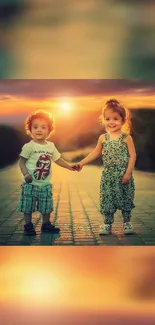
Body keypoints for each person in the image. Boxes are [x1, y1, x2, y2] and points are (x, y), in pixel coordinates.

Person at [75, 99, 136, 235]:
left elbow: (132, 156)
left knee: (125, 198)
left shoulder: (126, 138)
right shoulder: (103, 138)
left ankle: (127, 223)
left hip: (123, 174)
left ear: (123, 120)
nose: (111, 122)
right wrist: (82, 163)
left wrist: (128, 173)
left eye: (115, 118)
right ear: (103, 120)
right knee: (107, 199)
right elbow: (95, 153)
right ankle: (107, 224)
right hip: (108, 175)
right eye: (108, 118)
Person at [18, 110, 76, 235]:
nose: (39, 130)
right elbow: (21, 162)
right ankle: (28, 226)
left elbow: (58, 159)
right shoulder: (29, 146)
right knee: (28, 206)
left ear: (49, 130)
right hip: (30, 184)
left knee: (46, 206)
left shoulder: (51, 146)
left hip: (45, 184)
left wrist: (69, 166)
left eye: (43, 127)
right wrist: (26, 174)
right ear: (30, 130)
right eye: (35, 127)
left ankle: (46, 225)